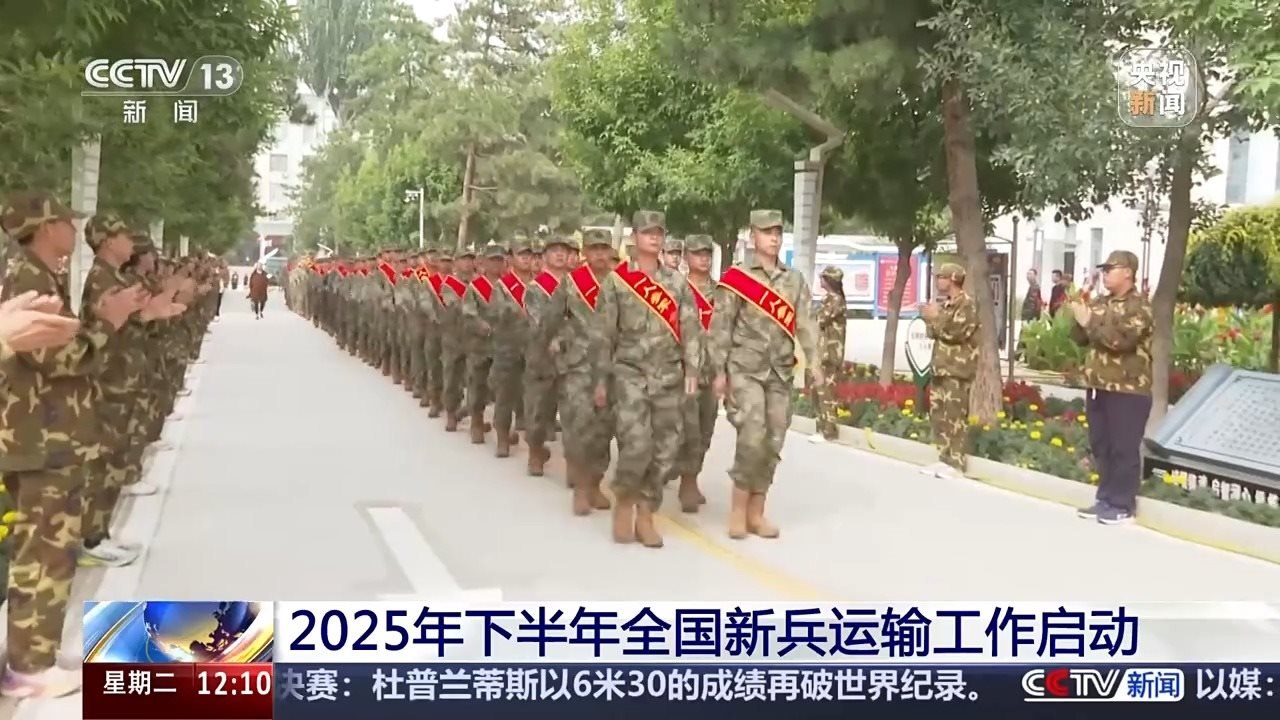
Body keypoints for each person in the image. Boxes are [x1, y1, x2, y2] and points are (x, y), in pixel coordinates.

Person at [0, 191, 140, 698]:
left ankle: (33, 656)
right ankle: (28, 667)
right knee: (44, 553)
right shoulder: (28, 278)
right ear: (45, 227)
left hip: (49, 432)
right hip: (43, 435)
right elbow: (58, 357)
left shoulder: (38, 274)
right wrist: (107, 323)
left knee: (48, 550)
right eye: (66, 221)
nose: (74, 230)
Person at [708, 210, 819, 540]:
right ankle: (738, 510)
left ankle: (757, 512)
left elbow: (806, 323)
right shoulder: (737, 278)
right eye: (767, 232)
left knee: (773, 441)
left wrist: (815, 363)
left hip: (780, 372)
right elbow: (721, 327)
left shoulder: (793, 280)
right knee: (752, 436)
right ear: (752, 235)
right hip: (745, 369)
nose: (774, 238)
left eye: (778, 232)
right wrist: (718, 371)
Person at [592, 211, 701, 547]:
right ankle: (625, 502)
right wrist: (600, 380)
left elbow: (690, 327)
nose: (654, 237)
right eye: (647, 232)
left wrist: (692, 369)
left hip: (669, 376)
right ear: (634, 238)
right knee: (636, 444)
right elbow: (603, 334)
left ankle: (647, 512)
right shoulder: (617, 282)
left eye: (659, 232)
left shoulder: (677, 283)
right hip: (630, 375)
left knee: (665, 449)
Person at [1069, 250, 1153, 525]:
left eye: (1110, 269)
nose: (1104, 274)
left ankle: (1122, 504)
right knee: (1101, 445)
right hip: (1098, 386)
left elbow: (1121, 341)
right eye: (1103, 270)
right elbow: (1081, 338)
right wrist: (1078, 315)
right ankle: (1105, 499)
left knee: (1123, 448)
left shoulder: (1139, 306)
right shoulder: (1100, 302)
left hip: (1128, 389)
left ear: (1127, 272)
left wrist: (1090, 322)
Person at [538, 229, 615, 513]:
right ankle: (581, 488)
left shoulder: (622, 283)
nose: (599, 254)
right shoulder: (572, 283)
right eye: (594, 249)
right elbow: (551, 319)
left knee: (605, 429)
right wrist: (553, 343)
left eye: (604, 248)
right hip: (578, 365)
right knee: (580, 425)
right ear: (585, 252)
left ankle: (595, 482)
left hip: (613, 366)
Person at [918, 263, 979, 481]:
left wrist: (934, 318)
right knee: (939, 415)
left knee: (955, 416)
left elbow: (955, 333)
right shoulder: (946, 305)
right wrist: (931, 318)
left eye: (941, 277)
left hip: (957, 369)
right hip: (941, 367)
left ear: (952, 279)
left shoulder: (967, 305)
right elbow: (933, 333)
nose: (938, 281)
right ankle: (943, 457)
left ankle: (957, 462)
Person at [675, 234, 717, 512]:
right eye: (697, 253)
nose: (703, 258)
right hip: (681, 372)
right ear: (686, 256)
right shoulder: (675, 288)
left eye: (707, 253)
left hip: (711, 372)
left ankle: (691, 477)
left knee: (704, 429)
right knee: (685, 429)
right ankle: (685, 481)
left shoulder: (722, 292)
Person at [811, 266, 847, 443]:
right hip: (822, 351)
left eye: (823, 278)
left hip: (831, 353)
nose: (821, 280)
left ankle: (829, 431)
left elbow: (820, 319)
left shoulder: (836, 300)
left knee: (827, 392)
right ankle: (821, 428)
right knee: (817, 390)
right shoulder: (828, 299)